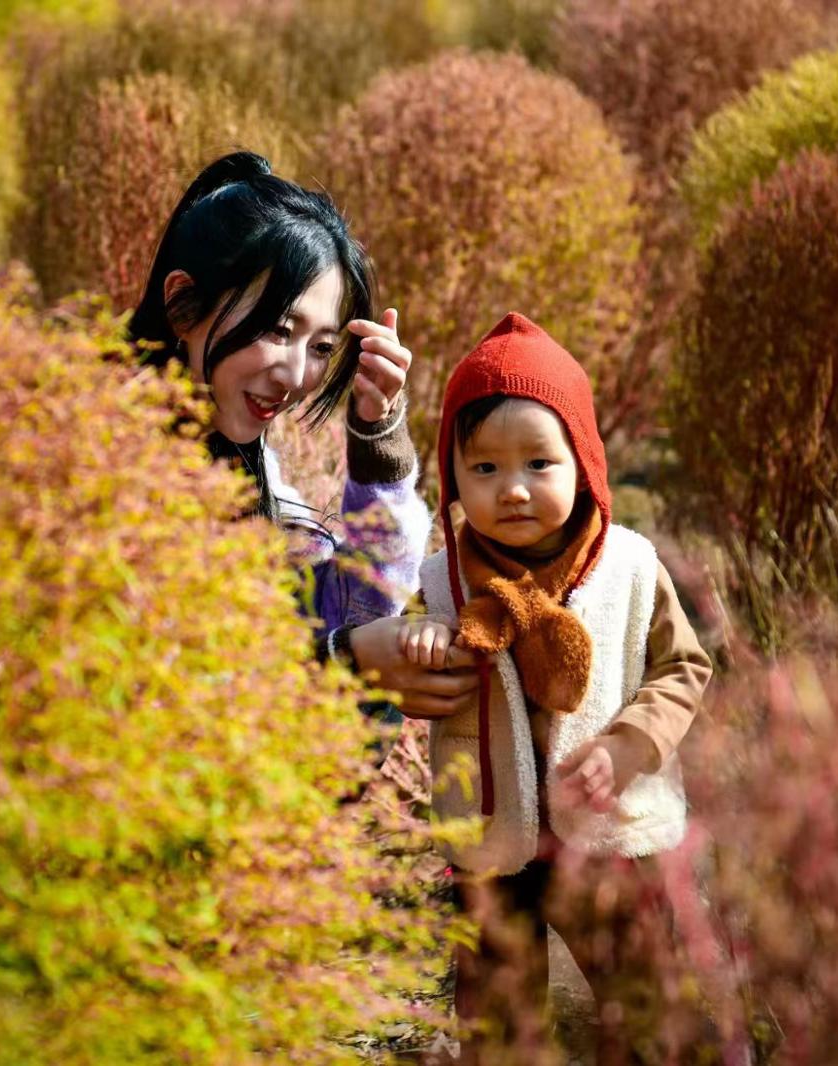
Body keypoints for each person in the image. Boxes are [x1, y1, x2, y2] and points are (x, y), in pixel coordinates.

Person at [400, 312, 717, 1063]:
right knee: (497, 1025)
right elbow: (419, 683)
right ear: (454, 477)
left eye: (538, 464)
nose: (512, 490)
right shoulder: (442, 582)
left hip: (608, 839)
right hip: (493, 845)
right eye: (484, 470)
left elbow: (684, 667)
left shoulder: (629, 569)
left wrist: (631, 745)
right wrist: (419, 645)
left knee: (644, 1008)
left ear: (584, 464)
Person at [129, 150, 474, 725]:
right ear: (182, 301)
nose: (295, 377)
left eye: (320, 348)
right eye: (276, 329)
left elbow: (361, 602)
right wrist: (345, 662)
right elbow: (161, 690)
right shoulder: (99, 465)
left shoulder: (247, 467)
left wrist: (377, 430)